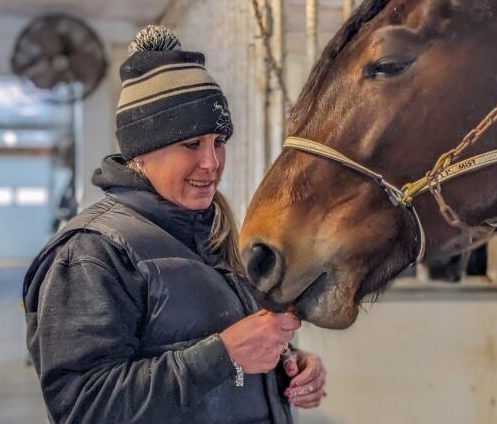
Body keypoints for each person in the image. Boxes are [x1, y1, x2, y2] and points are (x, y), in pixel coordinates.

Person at [22, 25, 326, 423]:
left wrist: (284, 365)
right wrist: (225, 355)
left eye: (219, 142)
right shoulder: (91, 252)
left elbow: (221, 354)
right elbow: (83, 407)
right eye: (191, 144)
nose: (212, 163)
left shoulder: (214, 232)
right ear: (141, 151)